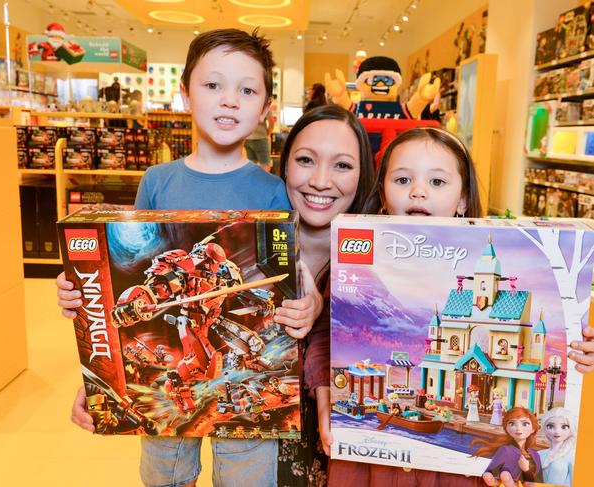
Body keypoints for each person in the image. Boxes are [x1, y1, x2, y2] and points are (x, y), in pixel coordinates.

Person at [56, 28, 322, 487]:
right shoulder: (157, 182)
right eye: (213, 85)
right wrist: (80, 300)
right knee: (165, 468)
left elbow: (286, 276)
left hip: (232, 353)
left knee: (245, 469)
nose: (229, 101)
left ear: (266, 108)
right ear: (185, 95)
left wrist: (305, 303)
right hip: (174, 337)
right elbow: (134, 283)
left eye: (247, 90)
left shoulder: (273, 190)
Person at [326, 126, 594, 486]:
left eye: (437, 182)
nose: (418, 190)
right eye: (403, 179)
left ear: (464, 199)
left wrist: (584, 350)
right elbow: (327, 337)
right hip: (375, 468)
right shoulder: (354, 261)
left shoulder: (516, 293)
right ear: (384, 194)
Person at [277, 104, 374, 486]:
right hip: (257, 464)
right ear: (284, 165)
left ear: (363, 175)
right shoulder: (250, 249)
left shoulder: (383, 264)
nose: (320, 181)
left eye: (342, 166)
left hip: (346, 462)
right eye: (305, 160)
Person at [474, 407, 544, 484]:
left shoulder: (535, 455)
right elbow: (490, 473)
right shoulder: (505, 450)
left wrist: (526, 470)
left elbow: (539, 482)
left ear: (533, 429)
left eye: (525, 424)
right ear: (506, 428)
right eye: (512, 423)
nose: (518, 428)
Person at [538, 407, 576, 486]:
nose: (557, 431)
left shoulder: (572, 455)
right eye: (550, 426)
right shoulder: (539, 454)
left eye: (564, 427)